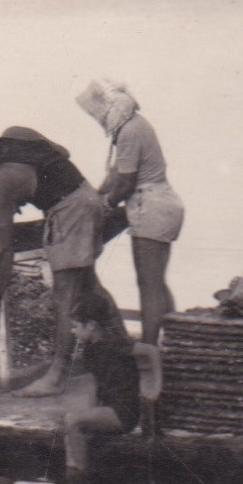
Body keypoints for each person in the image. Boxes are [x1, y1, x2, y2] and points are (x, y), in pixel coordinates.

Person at [0, 119, 123, 397]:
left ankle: (57, 376)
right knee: (88, 285)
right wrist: (35, 186)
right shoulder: (18, 134)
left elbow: (4, 250)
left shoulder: (2, 183)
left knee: (65, 298)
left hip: (70, 213)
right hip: (88, 197)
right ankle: (123, 348)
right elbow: (62, 154)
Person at [75, 79, 184, 345]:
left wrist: (104, 207)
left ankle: (148, 347)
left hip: (151, 208)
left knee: (148, 285)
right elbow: (115, 175)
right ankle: (173, 341)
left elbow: (125, 184)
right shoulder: (134, 125)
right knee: (156, 283)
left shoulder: (129, 133)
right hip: (160, 204)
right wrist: (95, 196)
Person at [64, 291, 141, 437]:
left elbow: (151, 351)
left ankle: (74, 461)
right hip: (107, 409)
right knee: (79, 426)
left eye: (76, 326)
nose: (73, 331)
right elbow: (94, 383)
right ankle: (77, 459)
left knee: (72, 419)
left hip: (124, 412)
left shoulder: (115, 344)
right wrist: (90, 412)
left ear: (91, 325)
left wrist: (155, 384)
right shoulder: (89, 351)